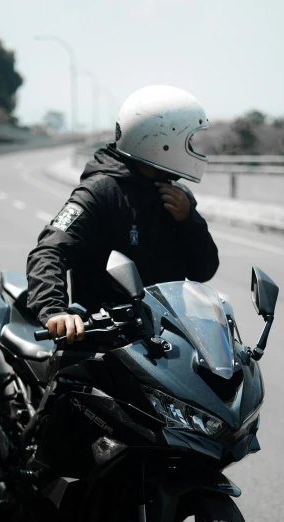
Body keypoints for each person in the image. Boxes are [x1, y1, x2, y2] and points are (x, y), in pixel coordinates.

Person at [26, 85, 219, 343]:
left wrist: (189, 221)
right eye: (188, 140)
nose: (192, 148)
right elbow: (49, 251)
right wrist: (55, 311)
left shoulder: (177, 197)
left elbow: (204, 271)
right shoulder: (100, 192)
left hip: (166, 342)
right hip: (105, 345)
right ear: (160, 140)